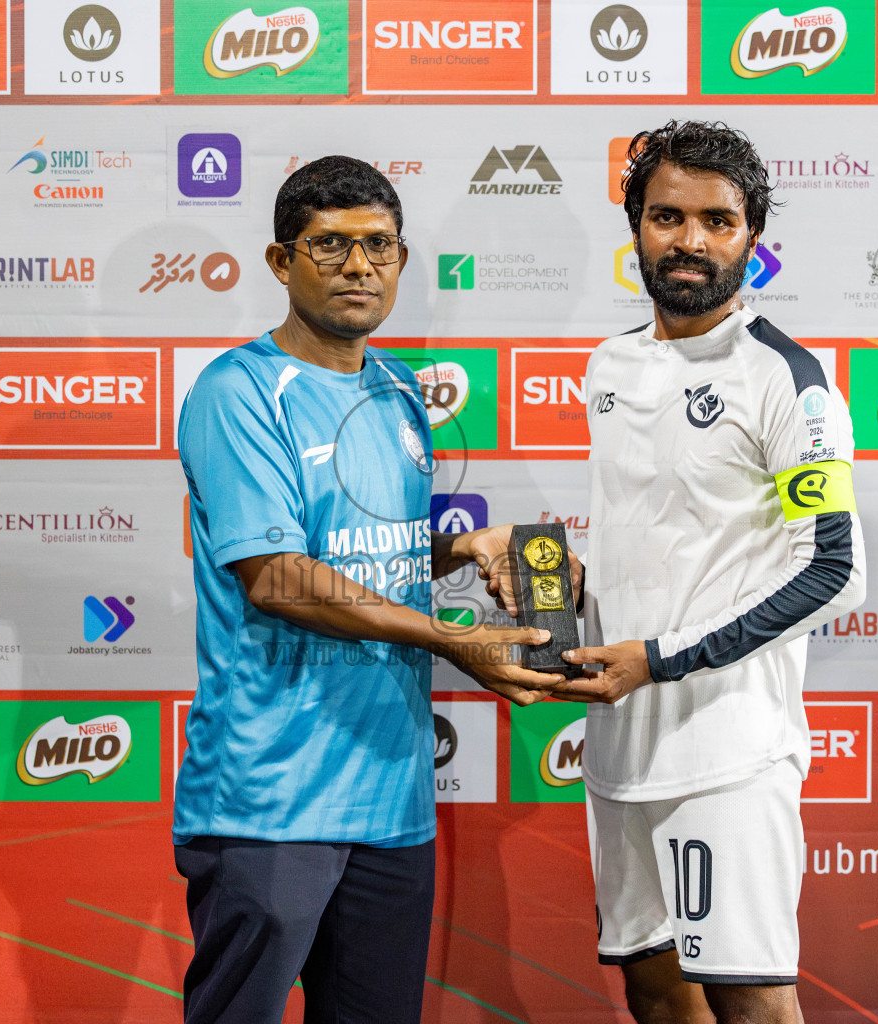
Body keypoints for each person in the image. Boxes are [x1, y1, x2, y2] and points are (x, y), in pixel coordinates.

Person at [173, 155, 570, 1024]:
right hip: (271, 796)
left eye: (380, 246)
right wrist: (455, 642)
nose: (359, 266)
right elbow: (276, 576)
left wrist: (465, 546)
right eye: (331, 247)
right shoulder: (237, 391)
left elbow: (367, 558)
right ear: (281, 263)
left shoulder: (396, 389)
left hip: (393, 794)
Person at [554, 120, 867, 1023]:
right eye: (667, 217)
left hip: (730, 750)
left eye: (717, 221)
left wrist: (658, 658)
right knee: (654, 992)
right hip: (619, 747)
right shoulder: (608, 364)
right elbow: (655, 532)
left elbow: (835, 572)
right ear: (636, 227)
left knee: (752, 1003)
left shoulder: (786, 378)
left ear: (751, 239)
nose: (691, 241)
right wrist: (575, 582)